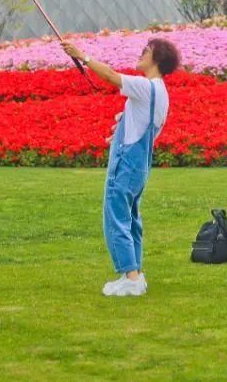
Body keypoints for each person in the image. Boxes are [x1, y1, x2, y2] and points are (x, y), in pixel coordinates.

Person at [62, 37, 181, 296]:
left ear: (157, 60)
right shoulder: (160, 93)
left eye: (146, 52)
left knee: (116, 218)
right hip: (139, 167)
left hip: (126, 165)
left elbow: (111, 76)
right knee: (131, 220)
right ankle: (134, 274)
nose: (141, 55)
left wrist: (81, 56)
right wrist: (118, 134)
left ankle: (131, 277)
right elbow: (142, 126)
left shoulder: (145, 87)